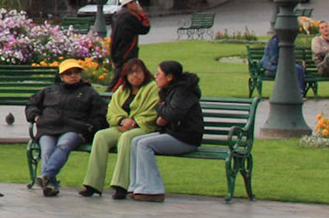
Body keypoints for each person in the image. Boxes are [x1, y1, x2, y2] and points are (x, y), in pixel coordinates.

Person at [25, 58, 108, 196]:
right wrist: (35, 116)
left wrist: (90, 127)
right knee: (47, 150)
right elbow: (32, 104)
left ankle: (45, 175)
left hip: (75, 128)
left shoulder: (89, 92)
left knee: (64, 144)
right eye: (69, 73)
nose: (73, 75)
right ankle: (50, 183)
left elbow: (100, 114)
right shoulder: (49, 91)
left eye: (76, 72)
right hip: (48, 127)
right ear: (61, 76)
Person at [79, 58, 160, 198]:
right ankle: (93, 184)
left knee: (126, 138)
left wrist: (133, 122)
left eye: (138, 72)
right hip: (122, 126)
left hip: (143, 128)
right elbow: (112, 112)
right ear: (126, 76)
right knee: (101, 136)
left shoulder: (153, 88)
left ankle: (121, 185)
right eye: (131, 73)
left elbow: (152, 112)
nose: (135, 76)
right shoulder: (121, 91)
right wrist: (122, 121)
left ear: (144, 73)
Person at [129, 60, 203, 202]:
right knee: (135, 141)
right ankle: (136, 186)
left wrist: (160, 110)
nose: (155, 77)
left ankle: (153, 189)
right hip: (173, 133)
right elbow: (166, 115)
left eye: (158, 74)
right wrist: (163, 114)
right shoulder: (169, 91)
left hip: (185, 137)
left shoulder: (183, 91)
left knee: (145, 145)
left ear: (169, 77)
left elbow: (172, 114)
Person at [107, 0, 149, 85]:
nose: (137, 5)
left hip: (118, 49)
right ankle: (109, 95)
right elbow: (145, 28)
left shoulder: (118, 15)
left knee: (123, 75)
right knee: (121, 76)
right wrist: (141, 14)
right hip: (127, 50)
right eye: (135, 2)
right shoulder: (129, 16)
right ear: (129, 4)